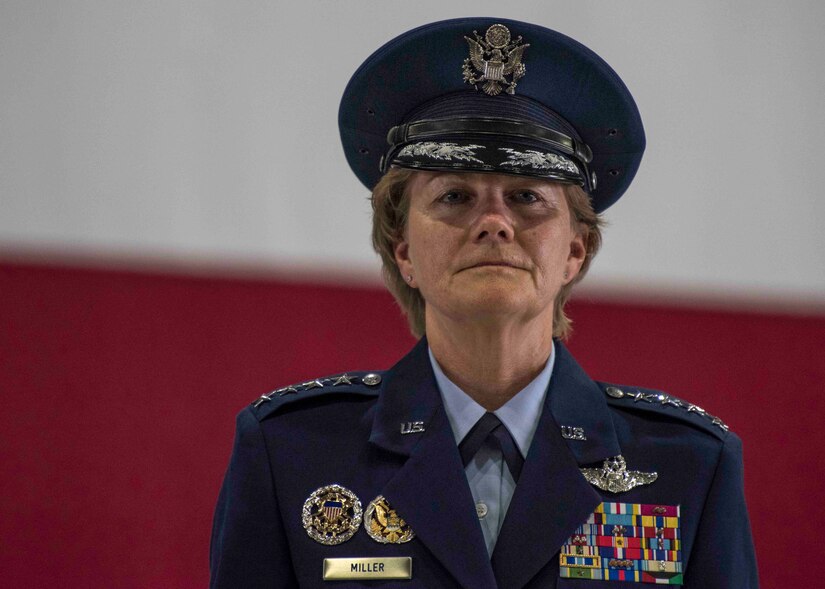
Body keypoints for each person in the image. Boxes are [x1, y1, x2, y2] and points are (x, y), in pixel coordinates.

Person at [210, 17, 758, 588]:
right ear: (403, 252)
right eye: (454, 196)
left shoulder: (688, 466)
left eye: (526, 197)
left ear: (575, 250)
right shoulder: (290, 453)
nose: (494, 223)